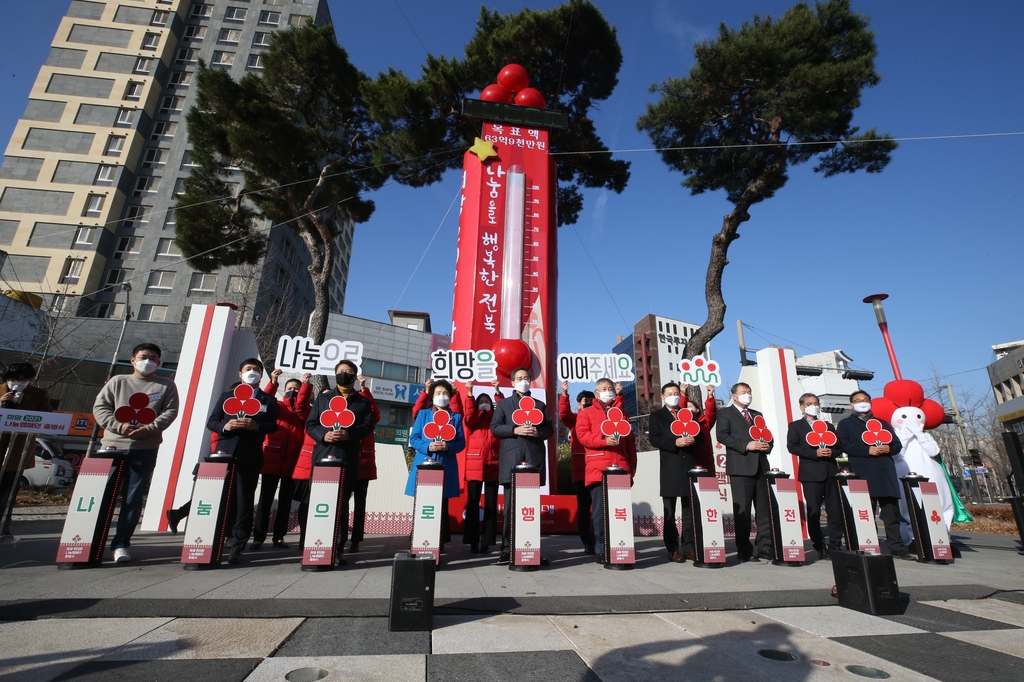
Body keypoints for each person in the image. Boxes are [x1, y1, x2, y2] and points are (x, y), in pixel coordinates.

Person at [93, 343, 179, 563]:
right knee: (102, 498)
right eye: (143, 357)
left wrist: (149, 429)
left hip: (145, 449)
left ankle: (121, 544)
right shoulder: (117, 382)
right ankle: (92, 542)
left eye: (153, 358)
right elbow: (100, 408)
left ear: (158, 362)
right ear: (132, 360)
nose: (147, 361)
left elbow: (170, 411)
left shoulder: (166, 385)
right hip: (112, 447)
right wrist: (118, 426)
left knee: (132, 499)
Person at [303, 359, 374, 565]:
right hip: (323, 455)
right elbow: (311, 424)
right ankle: (315, 545)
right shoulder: (323, 399)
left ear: (355, 376)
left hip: (347, 458)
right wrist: (324, 435)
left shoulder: (362, 402)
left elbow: (367, 426)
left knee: (341, 504)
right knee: (318, 503)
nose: (345, 374)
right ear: (335, 375)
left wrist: (349, 434)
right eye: (341, 371)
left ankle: (338, 547)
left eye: (349, 371)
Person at [207, 358, 279, 564]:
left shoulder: (268, 401)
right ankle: (215, 539)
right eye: (248, 369)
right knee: (220, 500)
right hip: (224, 454)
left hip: (250, 455)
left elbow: (272, 426)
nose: (252, 373)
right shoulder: (226, 396)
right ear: (240, 374)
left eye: (256, 370)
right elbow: (212, 421)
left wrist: (255, 426)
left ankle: (238, 544)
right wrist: (225, 427)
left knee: (244, 502)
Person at [490, 366, 554, 565]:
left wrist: (539, 433)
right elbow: (495, 428)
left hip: (533, 462)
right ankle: (507, 550)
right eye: (519, 378)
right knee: (510, 508)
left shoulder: (540, 405)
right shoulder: (504, 405)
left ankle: (531, 549)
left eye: (526, 377)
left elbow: (549, 429)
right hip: (512, 461)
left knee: (530, 509)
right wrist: (515, 429)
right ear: (512, 382)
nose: (523, 380)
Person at [837, 390, 912, 560]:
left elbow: (896, 444)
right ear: (851, 405)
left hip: (885, 471)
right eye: (858, 400)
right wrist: (867, 450)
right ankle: (868, 544)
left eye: (865, 400)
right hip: (863, 472)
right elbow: (844, 446)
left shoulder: (882, 423)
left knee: (891, 513)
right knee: (866, 513)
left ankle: (896, 547)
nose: (862, 403)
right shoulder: (846, 424)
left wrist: (889, 448)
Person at [575, 377, 638, 564]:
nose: (607, 391)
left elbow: (630, 441)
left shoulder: (622, 413)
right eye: (603, 388)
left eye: (610, 388)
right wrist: (604, 440)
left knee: (620, 512)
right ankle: (601, 549)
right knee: (600, 513)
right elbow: (583, 436)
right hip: (598, 468)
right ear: (596, 393)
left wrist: (632, 465)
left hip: (620, 467)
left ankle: (621, 547)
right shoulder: (586, 414)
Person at [251, 370, 312, 550]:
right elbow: (262, 400)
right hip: (272, 459)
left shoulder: (305, 411)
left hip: (292, 463)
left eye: (296, 388)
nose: (292, 391)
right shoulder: (276, 406)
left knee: (285, 503)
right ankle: (258, 537)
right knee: (265, 501)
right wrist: (273, 382)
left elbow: (303, 406)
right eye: (289, 388)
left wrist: (306, 386)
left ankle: (279, 537)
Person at [404, 379, 466, 555]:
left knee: (441, 505)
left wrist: (448, 447)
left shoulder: (456, 417)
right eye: (438, 393)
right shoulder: (423, 415)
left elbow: (461, 442)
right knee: (422, 505)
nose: (442, 396)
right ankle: (418, 540)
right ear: (432, 395)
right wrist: (428, 446)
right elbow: (414, 438)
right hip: (424, 465)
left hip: (445, 465)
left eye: (445, 393)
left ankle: (438, 542)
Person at [717, 382, 773, 563]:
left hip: (761, 467)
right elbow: (722, 435)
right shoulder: (725, 413)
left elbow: (767, 435)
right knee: (743, 510)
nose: (747, 395)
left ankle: (765, 547)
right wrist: (746, 445)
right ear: (734, 396)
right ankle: (744, 549)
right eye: (743, 392)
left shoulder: (757, 415)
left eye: (749, 392)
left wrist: (767, 445)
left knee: (764, 510)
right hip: (741, 467)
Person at [648, 382, 704, 563]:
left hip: (689, 465)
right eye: (670, 393)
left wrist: (692, 440)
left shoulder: (687, 414)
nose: (674, 395)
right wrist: (675, 443)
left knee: (689, 510)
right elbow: (654, 438)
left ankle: (689, 547)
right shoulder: (656, 416)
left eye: (676, 393)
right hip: (670, 467)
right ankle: (672, 549)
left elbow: (701, 436)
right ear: (663, 397)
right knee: (670, 511)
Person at [786, 393, 844, 559]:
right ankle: (819, 545)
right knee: (814, 511)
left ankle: (836, 545)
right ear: (802, 407)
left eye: (816, 403)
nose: (814, 405)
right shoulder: (796, 426)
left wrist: (832, 452)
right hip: (811, 473)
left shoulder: (828, 426)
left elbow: (839, 447)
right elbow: (792, 447)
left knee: (835, 511)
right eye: (809, 403)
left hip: (831, 471)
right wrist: (814, 453)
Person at [0, 362, 52, 537]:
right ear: (8, 378)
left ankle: (3, 527)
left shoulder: (39, 394)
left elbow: (46, 418)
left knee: (8, 491)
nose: (20, 383)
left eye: (25, 380)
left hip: (18, 448)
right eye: (16, 380)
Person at [461, 379, 502, 554]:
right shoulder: (474, 420)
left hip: (493, 464)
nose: (484, 404)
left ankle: (487, 542)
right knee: (472, 504)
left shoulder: (496, 420)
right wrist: (470, 395)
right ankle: (472, 542)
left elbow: (503, 409)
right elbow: (468, 416)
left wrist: (497, 392)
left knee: (491, 504)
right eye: (481, 402)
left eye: (487, 402)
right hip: (474, 465)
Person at [559, 382, 597, 554]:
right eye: (584, 401)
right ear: (579, 403)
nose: (588, 403)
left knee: (598, 507)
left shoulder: (599, 417)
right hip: (580, 469)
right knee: (583, 507)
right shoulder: (575, 419)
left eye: (591, 400)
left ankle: (599, 540)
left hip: (596, 467)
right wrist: (564, 394)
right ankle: (587, 542)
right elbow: (563, 414)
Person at [349, 374, 381, 554]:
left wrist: (365, 390)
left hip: (364, 461)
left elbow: (375, 413)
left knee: (360, 504)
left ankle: (356, 540)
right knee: (341, 502)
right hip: (344, 459)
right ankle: (337, 537)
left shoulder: (369, 417)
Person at [688, 384, 718, 470]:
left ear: (697, 410)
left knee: (707, 483)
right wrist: (682, 394)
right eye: (686, 407)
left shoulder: (705, 422)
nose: (688, 409)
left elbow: (711, 412)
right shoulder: (681, 425)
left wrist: (710, 396)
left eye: (690, 407)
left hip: (705, 462)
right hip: (689, 460)